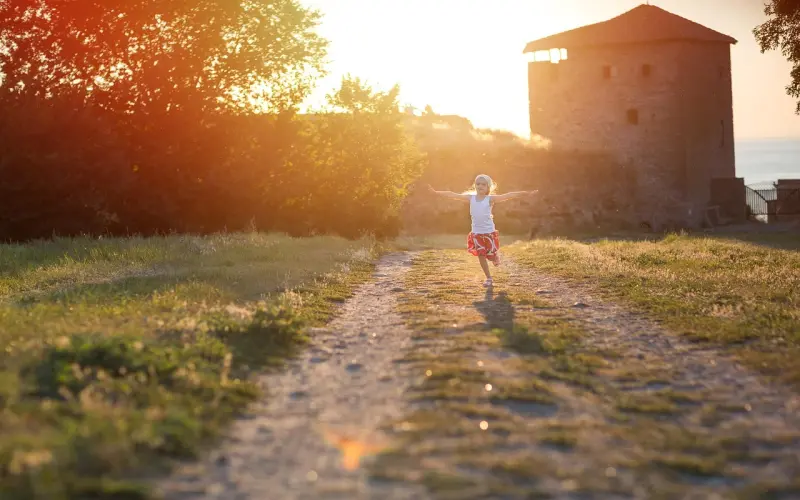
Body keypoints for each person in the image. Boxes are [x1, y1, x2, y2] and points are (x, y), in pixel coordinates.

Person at [428, 174, 538, 287]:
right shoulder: (470, 198)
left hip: (489, 232)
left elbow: (510, 195)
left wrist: (527, 193)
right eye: (478, 184)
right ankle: (489, 278)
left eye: (483, 184)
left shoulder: (490, 199)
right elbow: (452, 194)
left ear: (488, 187)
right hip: (476, 233)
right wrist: (436, 192)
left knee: (490, 255)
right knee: (481, 255)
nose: (480, 186)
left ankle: (495, 256)